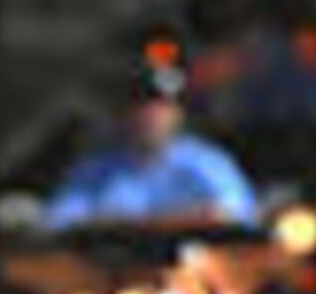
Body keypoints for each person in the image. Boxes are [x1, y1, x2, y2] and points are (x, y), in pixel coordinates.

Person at [43, 57, 257, 231]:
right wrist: (176, 220)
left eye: (162, 105)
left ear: (179, 113)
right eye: (141, 104)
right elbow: (60, 221)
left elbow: (237, 216)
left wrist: (128, 224)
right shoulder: (95, 170)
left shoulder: (208, 163)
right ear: (124, 111)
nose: (151, 115)